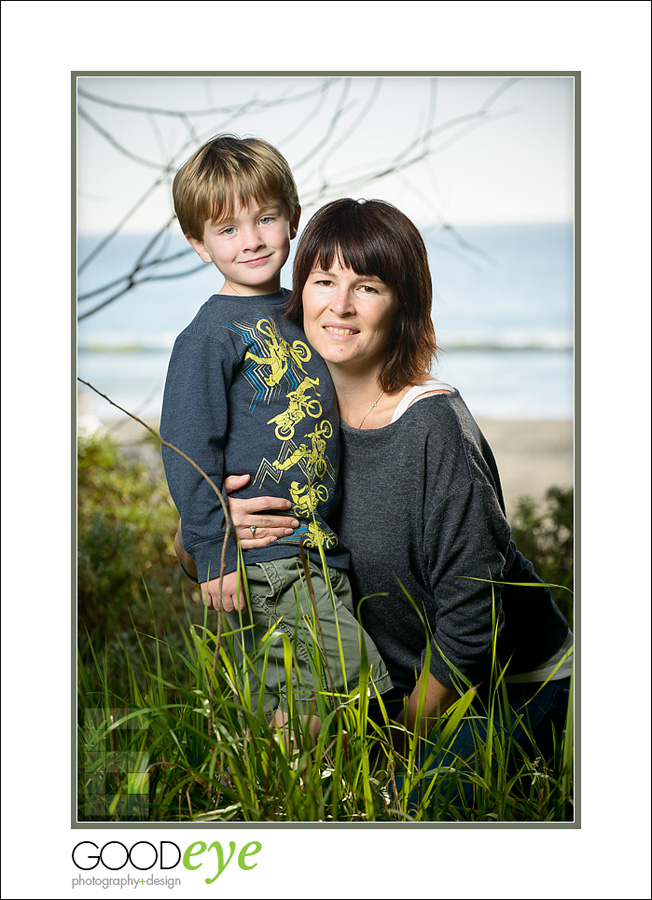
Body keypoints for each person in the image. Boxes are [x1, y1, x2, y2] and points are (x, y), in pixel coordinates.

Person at [227, 198, 573, 801]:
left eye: (368, 286)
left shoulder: (434, 428)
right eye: (324, 281)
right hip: (390, 689)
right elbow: (207, 565)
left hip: (508, 682)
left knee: (417, 811)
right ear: (298, 293)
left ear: (403, 305)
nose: (340, 305)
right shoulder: (282, 420)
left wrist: (397, 747)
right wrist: (216, 527)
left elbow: (473, 616)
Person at [159, 139, 393, 720]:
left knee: (308, 695)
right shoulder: (210, 337)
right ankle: (307, 798)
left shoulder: (305, 313)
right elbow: (187, 449)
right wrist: (213, 553)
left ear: (292, 215)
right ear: (198, 244)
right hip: (268, 557)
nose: (253, 240)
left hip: (319, 546)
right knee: (342, 688)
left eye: (265, 218)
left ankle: (304, 794)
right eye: (227, 229)